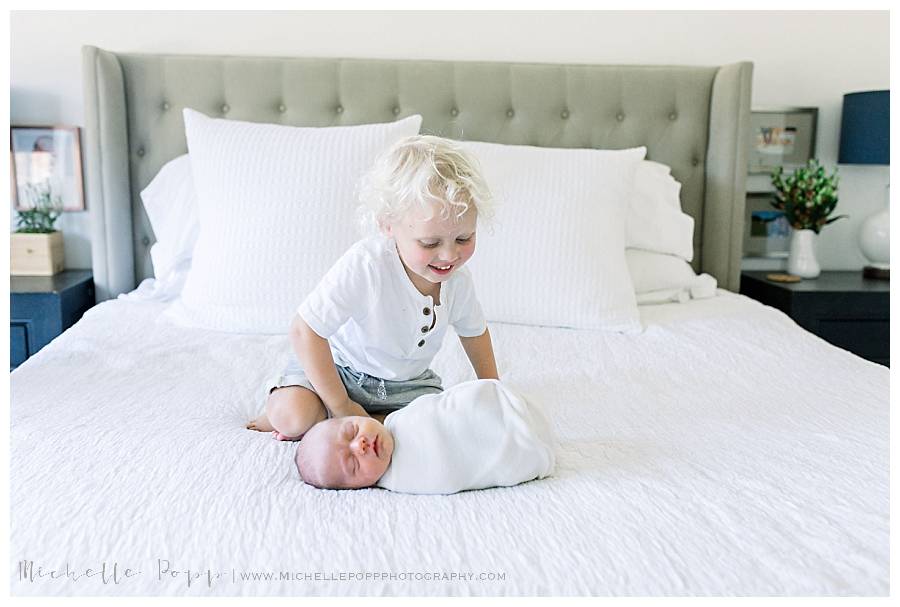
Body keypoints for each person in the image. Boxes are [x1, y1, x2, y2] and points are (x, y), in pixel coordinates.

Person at [247, 135, 498, 440]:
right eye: (430, 243)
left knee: (436, 429)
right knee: (292, 417)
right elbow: (305, 330)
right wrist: (341, 405)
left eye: (463, 239)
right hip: (339, 372)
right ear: (387, 224)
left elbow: (475, 333)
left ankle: (365, 418)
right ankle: (317, 411)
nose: (449, 256)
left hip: (407, 386)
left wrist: (493, 391)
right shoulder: (366, 265)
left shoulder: (458, 281)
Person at [294, 379, 556, 494]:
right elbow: (454, 468)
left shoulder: (397, 420)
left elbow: (439, 407)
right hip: (524, 449)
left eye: (351, 431)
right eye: (353, 464)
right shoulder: (406, 479)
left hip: (504, 405)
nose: (359, 445)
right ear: (358, 488)